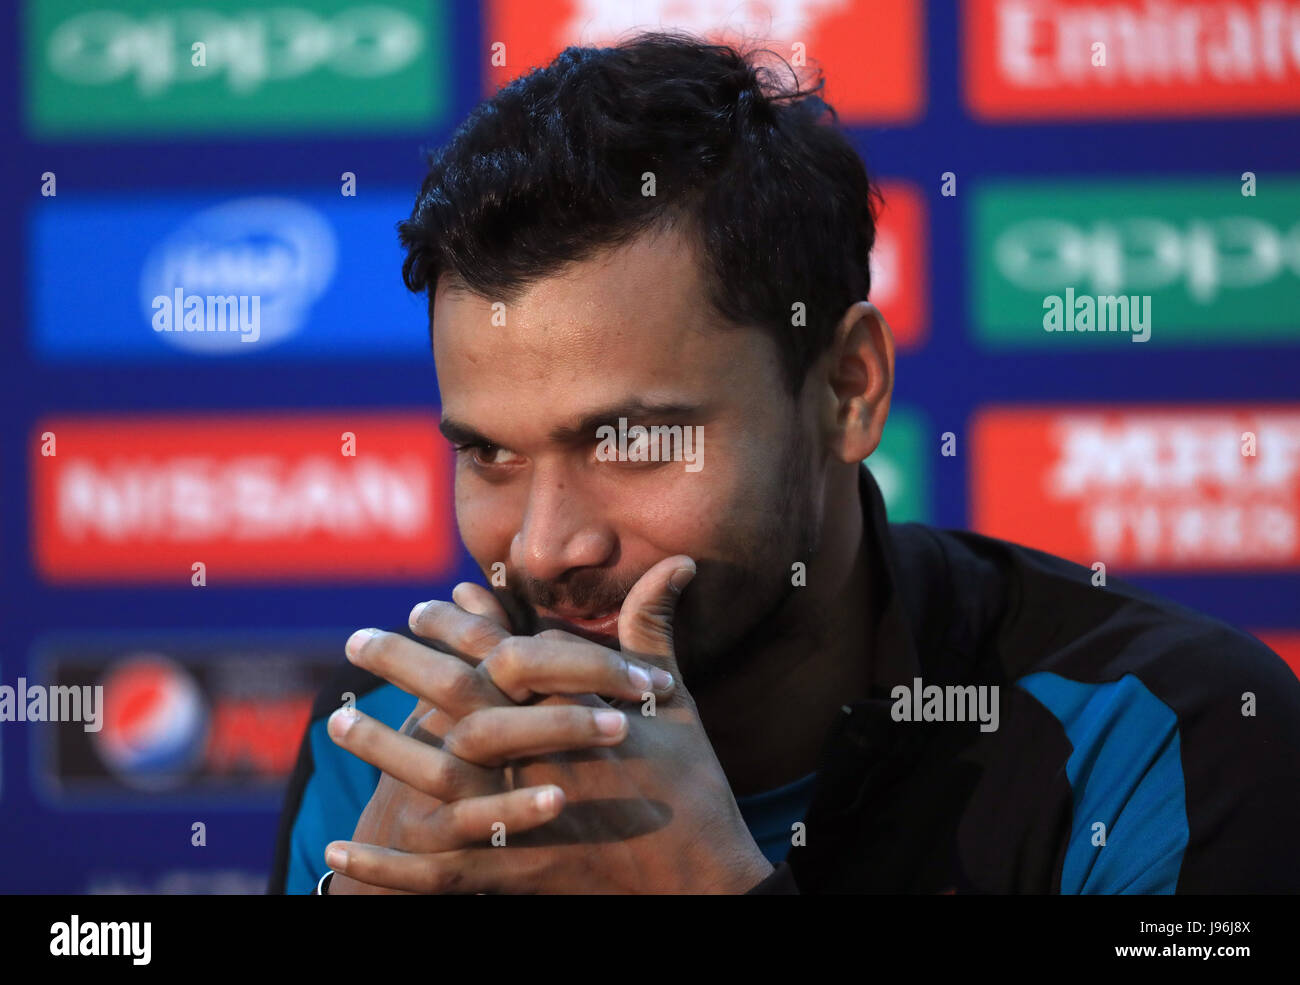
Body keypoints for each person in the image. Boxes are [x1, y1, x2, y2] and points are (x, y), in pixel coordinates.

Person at [269, 31, 1300, 895]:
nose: (544, 546)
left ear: (846, 389)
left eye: (629, 441)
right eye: (488, 452)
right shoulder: (385, 754)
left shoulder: (1161, 734)